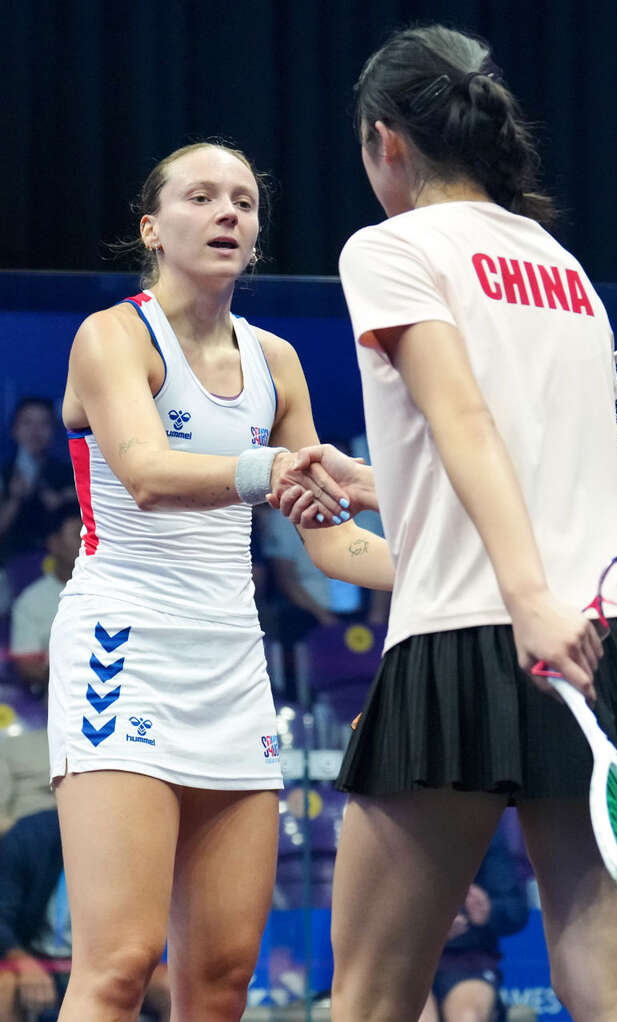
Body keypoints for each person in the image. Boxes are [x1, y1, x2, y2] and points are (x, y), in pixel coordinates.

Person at [282, 25, 617, 1022]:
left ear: (385, 140)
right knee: (612, 991)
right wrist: (375, 481)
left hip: (476, 634)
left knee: (369, 995)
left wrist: (523, 598)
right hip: (607, 635)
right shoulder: (562, 266)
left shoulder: (389, 248)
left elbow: (465, 420)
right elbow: (530, 459)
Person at [48, 140, 392, 1022]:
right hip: (122, 654)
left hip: (234, 670)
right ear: (152, 229)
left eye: (243, 200)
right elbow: (147, 474)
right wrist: (269, 466)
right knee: (119, 965)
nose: (228, 212)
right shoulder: (112, 337)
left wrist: (464, 576)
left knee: (223, 981)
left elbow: (332, 544)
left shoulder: (277, 362)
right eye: (201, 197)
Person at [0, 809, 171, 1022]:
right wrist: (21, 960)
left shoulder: (137, 843)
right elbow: (2, 916)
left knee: (169, 987)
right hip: (39, 959)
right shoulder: (30, 835)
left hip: (114, 961)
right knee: (4, 989)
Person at [417, 827, 528, 1022]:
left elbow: (515, 909)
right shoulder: (392, 827)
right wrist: (427, 933)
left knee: (468, 1018)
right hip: (404, 961)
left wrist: (488, 911)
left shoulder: (484, 830)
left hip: (467, 961)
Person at [10, 503, 82, 697]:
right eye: (78, 535)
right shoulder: (31, 601)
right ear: (54, 543)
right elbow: (27, 666)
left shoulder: (111, 590)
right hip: (58, 698)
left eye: (90, 534)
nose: (86, 542)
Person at [0, 397, 76, 559]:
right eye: (27, 423)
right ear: (14, 429)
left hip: (57, 562)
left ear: (53, 431)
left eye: (43, 424)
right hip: (10, 559)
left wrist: (62, 498)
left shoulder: (67, 473)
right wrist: (14, 499)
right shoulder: (4, 473)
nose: (35, 432)